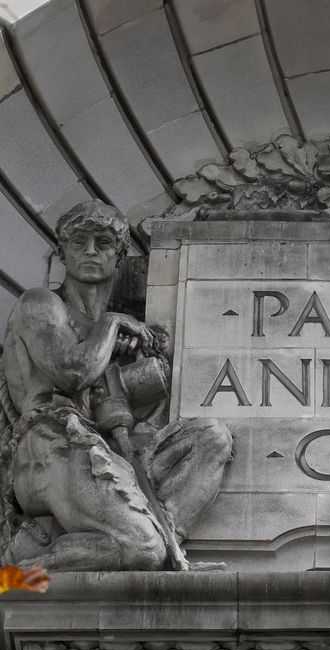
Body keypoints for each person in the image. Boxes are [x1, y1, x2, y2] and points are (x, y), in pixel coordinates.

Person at [0, 201, 232, 571]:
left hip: (107, 450)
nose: (91, 251)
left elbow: (130, 411)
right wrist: (111, 325)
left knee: (210, 438)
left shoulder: (120, 334)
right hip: (52, 448)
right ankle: (14, 578)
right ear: (62, 252)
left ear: (120, 255)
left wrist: (138, 360)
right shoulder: (40, 304)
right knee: (142, 550)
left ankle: (165, 539)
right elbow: (71, 373)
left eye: (104, 242)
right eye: (80, 242)